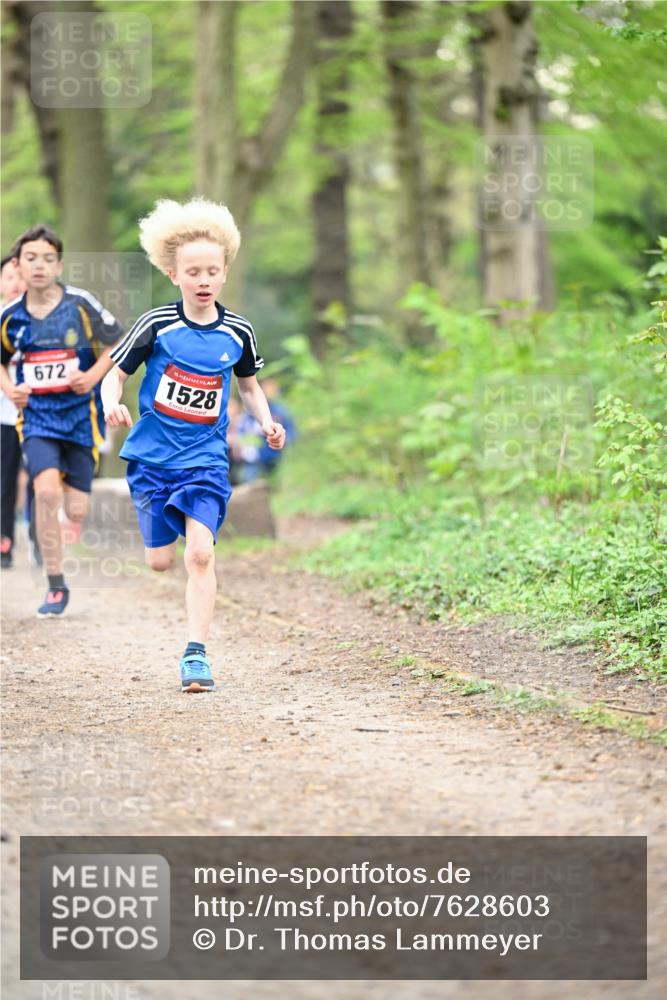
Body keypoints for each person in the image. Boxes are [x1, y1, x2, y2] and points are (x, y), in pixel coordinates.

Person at [101, 197, 286, 693]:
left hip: (205, 459)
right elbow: (113, 375)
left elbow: (248, 388)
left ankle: (196, 655)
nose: (203, 279)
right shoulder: (157, 325)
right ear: (174, 274)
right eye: (193, 271)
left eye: (212, 270)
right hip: (152, 458)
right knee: (161, 561)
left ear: (224, 274)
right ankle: (162, 535)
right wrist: (111, 405)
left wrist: (266, 423)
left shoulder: (238, 331)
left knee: (200, 556)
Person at [0, 225, 124, 614]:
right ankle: (55, 586)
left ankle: (66, 516)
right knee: (46, 492)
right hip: (36, 420)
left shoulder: (80, 303)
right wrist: (10, 390)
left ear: (59, 265)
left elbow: (118, 341)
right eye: (31, 259)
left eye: (48, 259)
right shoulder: (10, 317)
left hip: (81, 421)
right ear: (18, 266)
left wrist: (92, 376)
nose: (39, 266)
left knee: (75, 511)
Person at [0, 255, 27, 568]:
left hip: (40, 414)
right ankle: (5, 542)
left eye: (20, 277)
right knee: (5, 483)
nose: (16, 283)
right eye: (9, 277)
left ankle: (39, 539)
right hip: (5, 416)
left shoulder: (43, 319)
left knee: (42, 480)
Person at [228, 376, 295, 484]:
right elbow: (240, 435)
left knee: (272, 484)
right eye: (266, 388)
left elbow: (290, 431)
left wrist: (285, 441)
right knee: (250, 483)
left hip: (272, 456)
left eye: (271, 388)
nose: (269, 391)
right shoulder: (247, 416)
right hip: (251, 460)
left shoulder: (281, 412)